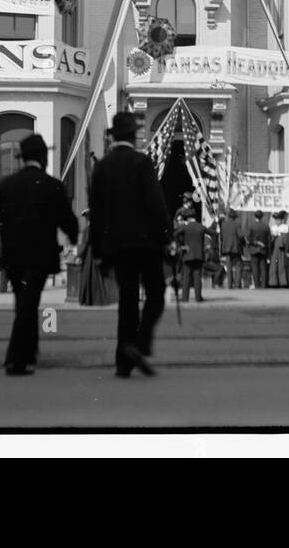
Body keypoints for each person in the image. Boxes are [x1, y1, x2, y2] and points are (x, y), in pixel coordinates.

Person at [0, 133, 80, 375]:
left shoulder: (6, 186)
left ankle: (29, 352)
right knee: (28, 303)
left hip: (12, 258)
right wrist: (73, 238)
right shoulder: (52, 185)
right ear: (42, 158)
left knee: (24, 302)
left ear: (23, 159)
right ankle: (16, 359)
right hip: (40, 257)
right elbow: (68, 221)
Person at [90, 111, 172, 378]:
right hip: (145, 245)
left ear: (115, 136)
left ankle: (123, 362)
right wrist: (167, 237)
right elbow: (156, 204)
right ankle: (139, 343)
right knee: (156, 294)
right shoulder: (141, 162)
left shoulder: (102, 166)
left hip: (117, 246)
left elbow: (97, 213)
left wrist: (99, 252)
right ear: (132, 136)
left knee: (127, 300)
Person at [77, 208, 119, 306]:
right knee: (100, 278)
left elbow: (85, 243)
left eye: (87, 217)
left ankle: (92, 299)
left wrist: (79, 255)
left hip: (90, 256)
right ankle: (102, 299)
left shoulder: (89, 229)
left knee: (91, 277)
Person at [178, 209, 208, 303]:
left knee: (186, 276)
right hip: (199, 255)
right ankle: (198, 297)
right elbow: (213, 233)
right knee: (197, 277)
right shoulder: (201, 227)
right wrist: (205, 246)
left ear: (188, 218)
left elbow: (174, 234)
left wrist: (181, 246)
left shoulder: (184, 227)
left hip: (187, 255)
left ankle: (185, 297)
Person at [246, 209, 271, 288]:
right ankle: (263, 285)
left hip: (254, 249)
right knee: (263, 268)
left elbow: (248, 239)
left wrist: (255, 243)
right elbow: (269, 239)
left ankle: (257, 285)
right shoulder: (266, 226)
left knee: (255, 268)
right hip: (263, 249)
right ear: (262, 217)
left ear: (255, 216)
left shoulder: (252, 226)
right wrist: (267, 250)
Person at [220, 207, 244, 290]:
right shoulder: (237, 225)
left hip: (227, 248)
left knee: (229, 266)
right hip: (236, 247)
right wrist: (243, 244)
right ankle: (237, 285)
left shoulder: (223, 225)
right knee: (238, 266)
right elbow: (241, 236)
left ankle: (230, 285)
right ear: (234, 217)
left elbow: (222, 237)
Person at [268, 211, 289, 288]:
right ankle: (273, 282)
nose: (277, 221)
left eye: (278, 219)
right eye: (276, 219)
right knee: (274, 265)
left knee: (282, 265)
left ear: (281, 220)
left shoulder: (285, 227)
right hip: (274, 248)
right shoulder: (273, 227)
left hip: (282, 249)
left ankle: (283, 282)